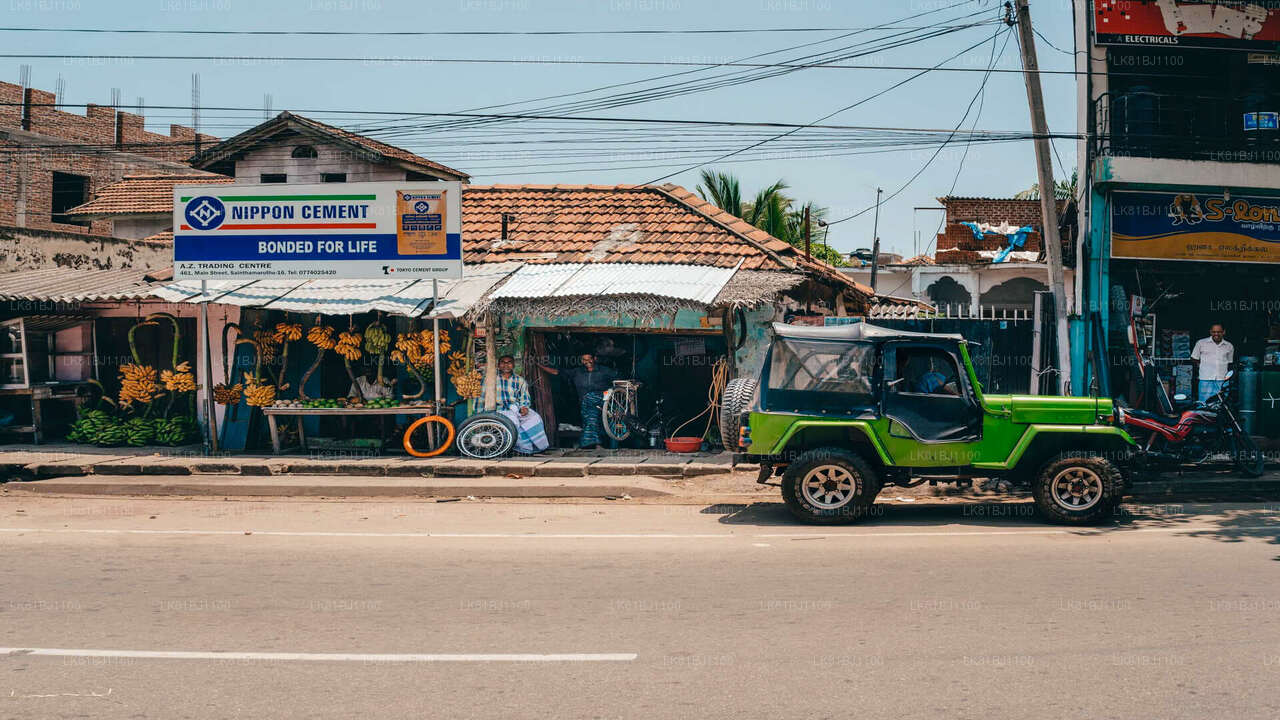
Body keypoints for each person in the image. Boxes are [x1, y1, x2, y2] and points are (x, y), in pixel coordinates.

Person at [539, 352, 618, 449]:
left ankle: (592, 444)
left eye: (589, 359)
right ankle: (596, 444)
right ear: (581, 361)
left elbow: (618, 379)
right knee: (591, 417)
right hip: (586, 404)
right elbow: (557, 372)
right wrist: (539, 366)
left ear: (595, 358)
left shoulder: (605, 371)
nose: (587, 362)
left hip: (602, 400)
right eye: (584, 360)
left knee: (590, 407)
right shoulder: (577, 372)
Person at [495, 355, 549, 454]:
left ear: (513, 365)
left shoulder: (519, 380)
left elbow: (524, 397)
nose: (506, 365)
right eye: (503, 362)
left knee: (534, 417)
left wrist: (524, 407)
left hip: (516, 408)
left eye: (509, 362)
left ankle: (539, 446)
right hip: (499, 410)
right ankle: (521, 448)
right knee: (513, 421)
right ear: (498, 365)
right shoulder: (492, 379)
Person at [1191, 323, 1233, 402]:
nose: (1216, 334)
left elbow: (1230, 363)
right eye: (1214, 332)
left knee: (1222, 403)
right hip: (1205, 380)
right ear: (1210, 332)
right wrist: (1202, 366)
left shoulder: (1229, 346)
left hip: (1222, 381)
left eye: (1219, 332)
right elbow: (1194, 358)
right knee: (1204, 403)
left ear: (1224, 332)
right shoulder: (1201, 343)